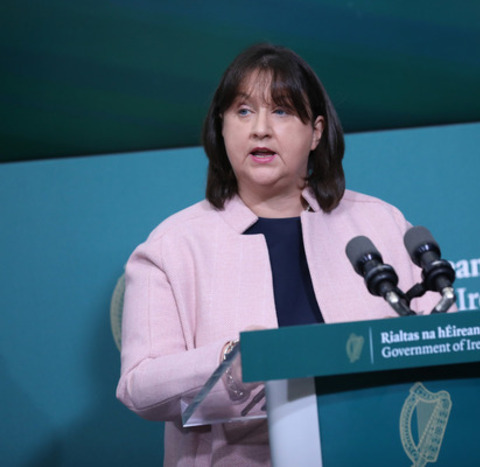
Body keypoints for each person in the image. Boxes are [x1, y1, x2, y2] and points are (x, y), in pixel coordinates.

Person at [116, 43, 442, 466]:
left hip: (377, 450)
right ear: (221, 126)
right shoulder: (173, 246)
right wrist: (229, 362)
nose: (261, 130)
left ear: (317, 131)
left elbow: (442, 338)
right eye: (243, 111)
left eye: (282, 111)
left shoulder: (379, 223)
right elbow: (139, 386)